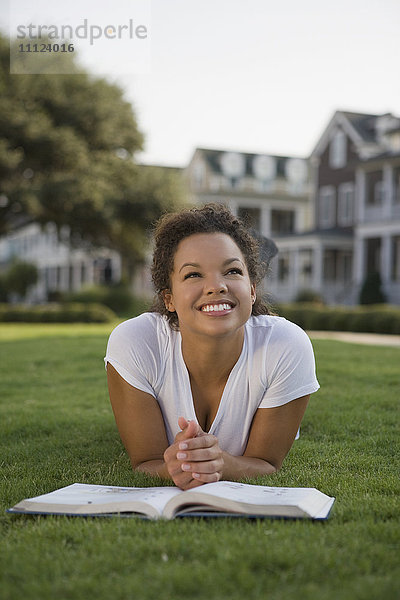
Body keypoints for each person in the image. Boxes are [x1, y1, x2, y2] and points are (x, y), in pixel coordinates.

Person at [105, 203, 319, 490]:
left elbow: (266, 463)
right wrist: (174, 467)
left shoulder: (286, 345)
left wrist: (223, 463)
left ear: (252, 290)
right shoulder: (136, 341)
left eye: (232, 271)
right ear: (168, 299)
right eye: (193, 274)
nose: (216, 286)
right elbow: (146, 462)